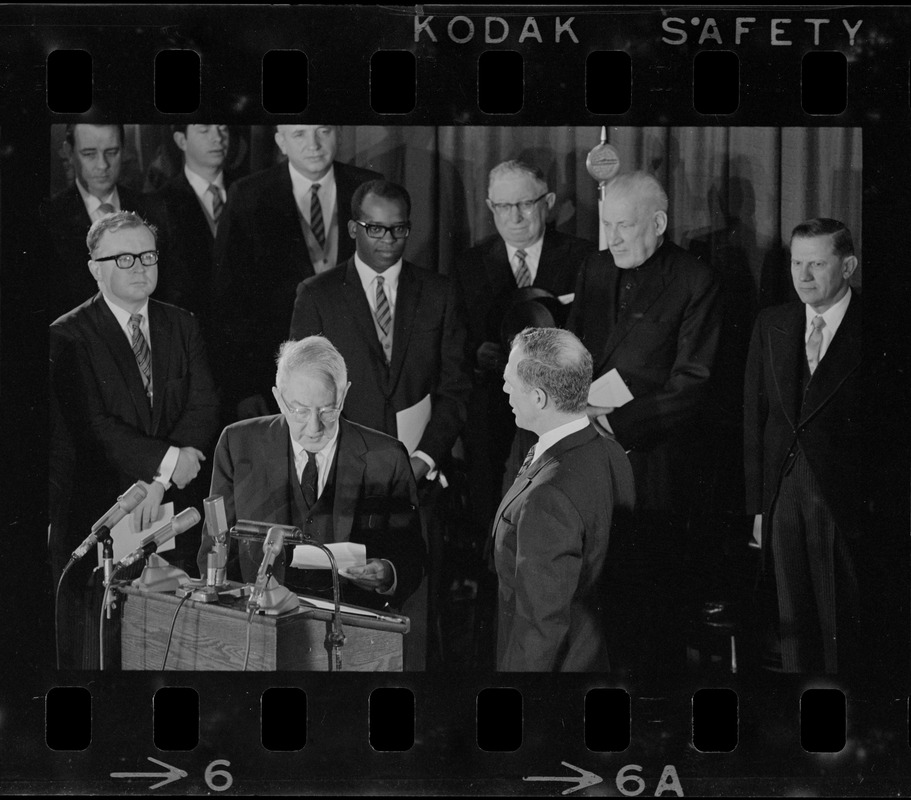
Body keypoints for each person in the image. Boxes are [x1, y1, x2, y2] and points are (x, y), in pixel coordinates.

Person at [289, 179, 472, 667]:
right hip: (343, 485)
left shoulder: (438, 292)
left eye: (399, 229)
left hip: (419, 482)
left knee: (413, 615)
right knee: (341, 618)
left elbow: (456, 390)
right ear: (352, 228)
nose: (388, 239)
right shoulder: (318, 295)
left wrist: (423, 459)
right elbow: (304, 393)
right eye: (375, 228)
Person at [566, 170, 722, 684]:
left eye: (624, 227)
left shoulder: (695, 279)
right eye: (606, 225)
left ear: (659, 223)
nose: (611, 239)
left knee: (653, 613)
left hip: (655, 468)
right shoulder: (594, 267)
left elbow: (692, 383)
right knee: (595, 607)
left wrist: (613, 423)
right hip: (588, 463)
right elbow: (571, 354)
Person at [49, 211, 220, 669]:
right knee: (100, 653)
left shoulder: (181, 324)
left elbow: (203, 405)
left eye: (148, 255)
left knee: (169, 650)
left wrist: (163, 482)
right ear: (95, 268)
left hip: (170, 515)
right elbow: (96, 426)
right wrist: (166, 464)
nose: (141, 267)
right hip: (101, 517)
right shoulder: (68, 336)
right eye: (124, 258)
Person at [196, 336, 426, 613]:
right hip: (259, 620)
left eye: (328, 410)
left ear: (344, 394)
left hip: (352, 623)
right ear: (279, 399)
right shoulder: (237, 444)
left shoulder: (387, 457)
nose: (314, 427)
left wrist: (387, 573)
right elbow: (215, 548)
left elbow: (412, 556)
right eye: (300, 411)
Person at [744, 218, 876, 674]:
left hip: (841, 498)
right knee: (790, 622)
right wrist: (759, 507)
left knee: (841, 625)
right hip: (782, 493)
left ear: (849, 266)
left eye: (817, 264)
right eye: (797, 263)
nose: (802, 276)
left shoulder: (873, 327)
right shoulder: (772, 323)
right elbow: (754, 420)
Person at [452, 160, 596, 540]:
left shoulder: (584, 258)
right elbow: (455, 337)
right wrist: (476, 353)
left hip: (560, 408)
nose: (514, 216)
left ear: (547, 202)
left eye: (525, 204)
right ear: (489, 207)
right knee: (490, 504)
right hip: (493, 410)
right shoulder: (468, 264)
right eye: (503, 206)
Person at [212, 125, 382, 421]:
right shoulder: (248, 196)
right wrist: (244, 388)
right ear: (280, 141)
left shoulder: (369, 189)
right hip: (279, 379)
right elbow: (228, 303)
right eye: (300, 134)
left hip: (363, 378)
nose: (313, 144)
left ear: (338, 134)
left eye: (323, 131)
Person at [494, 327, 635, 671]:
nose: (505, 390)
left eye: (510, 383)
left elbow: (540, 627)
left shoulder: (547, 496)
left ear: (539, 398)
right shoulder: (612, 452)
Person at [41, 124, 151, 320]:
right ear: (69, 152)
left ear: (123, 151)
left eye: (112, 152)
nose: (103, 165)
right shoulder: (47, 218)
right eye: (89, 154)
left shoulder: (152, 209)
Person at [146, 124, 231, 320]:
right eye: (204, 130)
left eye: (223, 128)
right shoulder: (160, 204)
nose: (217, 138)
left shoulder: (250, 191)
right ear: (181, 140)